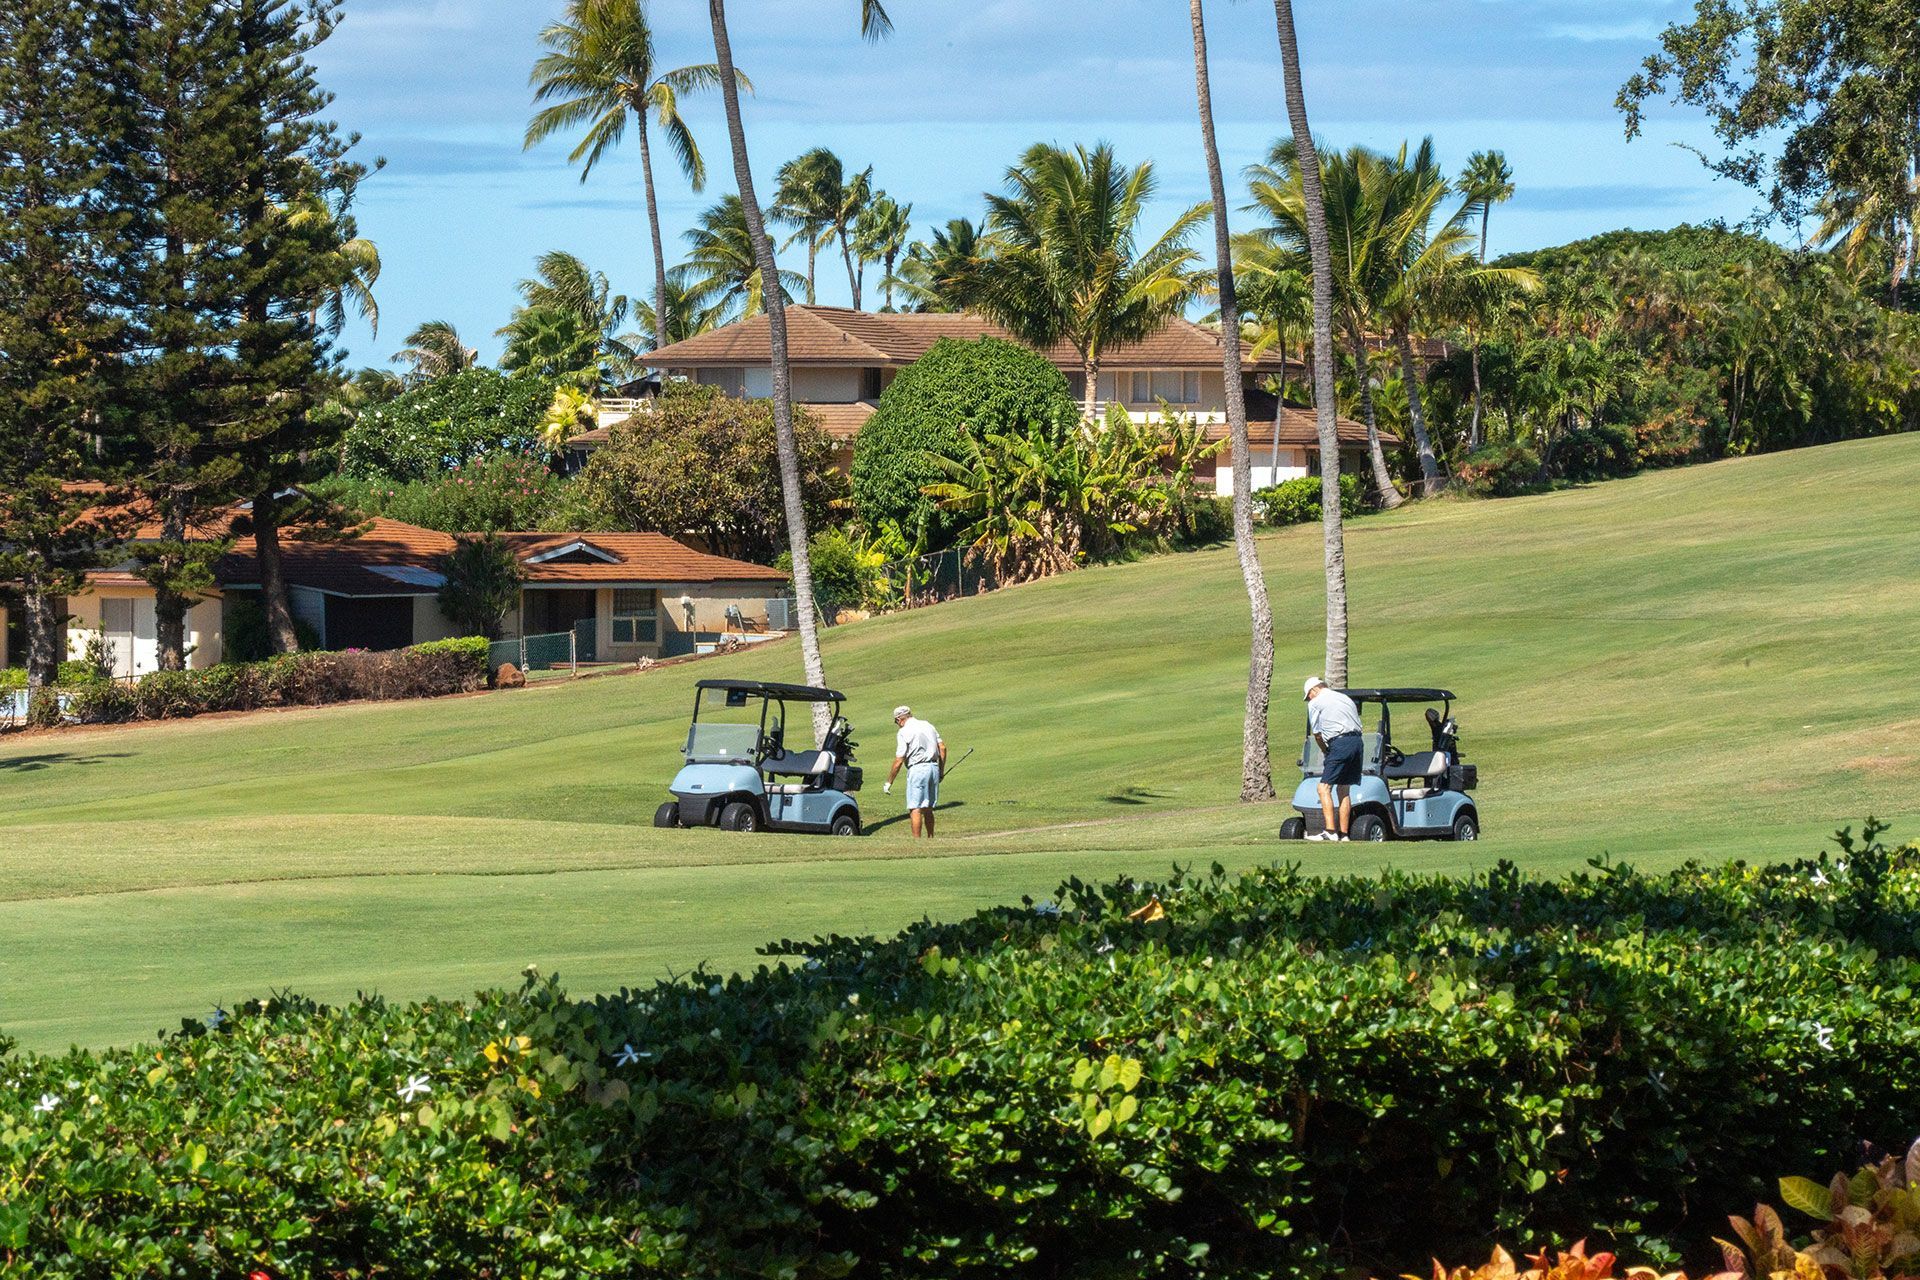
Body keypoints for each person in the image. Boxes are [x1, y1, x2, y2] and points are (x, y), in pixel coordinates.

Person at [1304, 677, 1363, 841]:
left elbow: (1316, 734)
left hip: (1340, 743)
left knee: (1323, 788)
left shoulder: (1315, 703)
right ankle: (1344, 835)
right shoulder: (1344, 697)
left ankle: (1330, 831)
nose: (1309, 699)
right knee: (1343, 789)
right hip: (1357, 743)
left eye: (1308, 695)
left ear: (1314, 690)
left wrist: (1325, 751)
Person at [884, 705, 947, 838]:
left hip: (917, 769)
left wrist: (889, 782)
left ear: (900, 719)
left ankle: (917, 843)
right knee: (928, 807)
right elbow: (942, 748)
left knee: (915, 808)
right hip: (933, 768)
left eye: (896, 722)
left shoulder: (904, 732)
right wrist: (940, 771)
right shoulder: (928, 725)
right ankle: (931, 839)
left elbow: (899, 760)